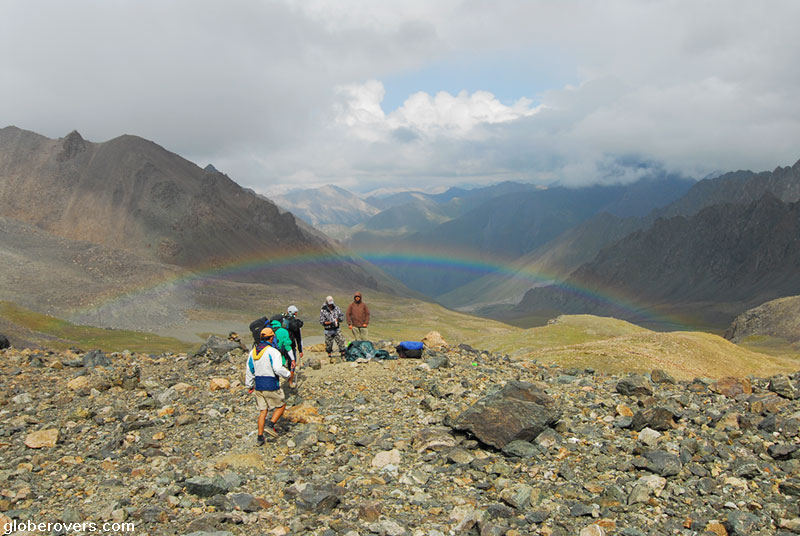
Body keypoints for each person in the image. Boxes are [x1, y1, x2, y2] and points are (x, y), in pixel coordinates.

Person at [245, 327, 290, 445]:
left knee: (263, 411)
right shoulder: (273, 352)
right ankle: (270, 425)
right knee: (281, 405)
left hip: (258, 385)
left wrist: (249, 385)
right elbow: (277, 368)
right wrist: (288, 374)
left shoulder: (253, 352)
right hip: (270, 383)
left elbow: (249, 369)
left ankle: (260, 438)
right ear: (271, 338)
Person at [269, 319, 296, 388]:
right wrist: (293, 359)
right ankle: (289, 382)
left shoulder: (267, 330)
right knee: (277, 370)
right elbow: (287, 347)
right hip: (278, 356)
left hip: (266, 356)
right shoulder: (283, 331)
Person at [319, 295, 346, 360]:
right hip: (328, 329)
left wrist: (338, 319)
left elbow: (342, 317)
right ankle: (329, 355)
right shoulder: (323, 310)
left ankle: (343, 354)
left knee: (341, 340)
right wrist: (330, 322)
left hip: (336, 328)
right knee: (329, 343)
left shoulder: (337, 308)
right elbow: (321, 321)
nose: (331, 305)